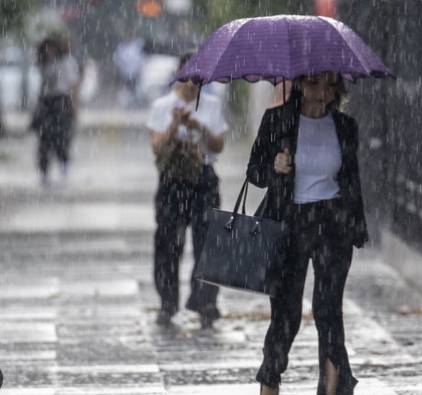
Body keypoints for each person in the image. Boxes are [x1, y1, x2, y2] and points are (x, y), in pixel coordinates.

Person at [247, 72, 369, 395]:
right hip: (289, 224)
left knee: (328, 310)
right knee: (286, 314)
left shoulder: (345, 127)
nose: (322, 92)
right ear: (300, 84)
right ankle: (269, 382)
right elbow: (254, 173)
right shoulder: (278, 120)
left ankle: (332, 389)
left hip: (333, 224)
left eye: (330, 84)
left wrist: (357, 226)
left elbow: (352, 182)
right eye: (314, 83)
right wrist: (275, 165)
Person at [146, 53, 228, 329]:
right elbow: (156, 147)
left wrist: (198, 126)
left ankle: (205, 301)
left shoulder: (211, 104)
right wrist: (173, 125)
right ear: (179, 73)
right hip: (172, 180)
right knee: (168, 242)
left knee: (208, 242)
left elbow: (218, 145)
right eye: (189, 75)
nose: (194, 82)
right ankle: (167, 301)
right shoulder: (162, 105)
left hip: (203, 178)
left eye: (199, 76)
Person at [33, 34, 80, 186]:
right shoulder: (44, 64)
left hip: (61, 101)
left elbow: (73, 86)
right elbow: (42, 85)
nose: (50, 51)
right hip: (46, 103)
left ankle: (64, 165)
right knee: (44, 139)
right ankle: (44, 171)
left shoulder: (68, 62)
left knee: (61, 137)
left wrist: (74, 106)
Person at [113, 32, 145, 107]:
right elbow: (118, 60)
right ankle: (127, 104)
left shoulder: (137, 46)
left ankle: (135, 103)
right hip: (125, 73)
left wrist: (139, 69)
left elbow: (141, 59)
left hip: (135, 72)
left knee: (134, 88)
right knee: (126, 89)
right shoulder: (121, 47)